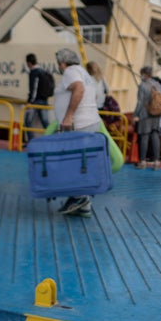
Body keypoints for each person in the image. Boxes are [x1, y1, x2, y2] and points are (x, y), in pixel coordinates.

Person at [53, 48, 101, 218]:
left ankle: (79, 197)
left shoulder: (70, 72)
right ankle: (84, 205)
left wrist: (68, 116)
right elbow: (93, 96)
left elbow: (78, 89)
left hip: (78, 125)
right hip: (90, 123)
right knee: (81, 162)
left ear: (63, 63)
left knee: (70, 161)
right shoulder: (83, 72)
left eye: (59, 63)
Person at [132, 66, 161, 170]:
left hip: (145, 114)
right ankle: (157, 162)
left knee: (144, 137)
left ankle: (143, 161)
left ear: (144, 74)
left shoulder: (143, 85)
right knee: (155, 136)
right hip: (156, 114)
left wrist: (135, 114)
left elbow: (140, 102)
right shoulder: (158, 85)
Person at [24, 53, 51, 144]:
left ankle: (31, 141)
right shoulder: (42, 71)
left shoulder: (34, 72)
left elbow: (34, 88)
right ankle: (52, 140)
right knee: (45, 122)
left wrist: (30, 101)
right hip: (44, 100)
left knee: (27, 121)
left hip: (36, 101)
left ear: (29, 63)